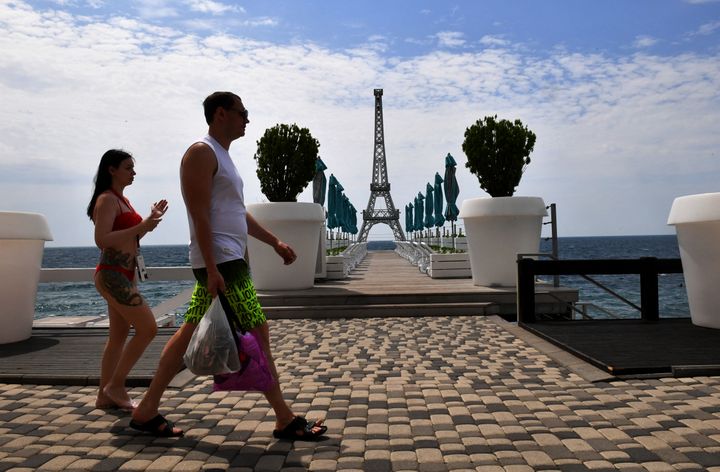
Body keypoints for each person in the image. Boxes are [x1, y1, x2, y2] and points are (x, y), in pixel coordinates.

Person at [129, 92, 327, 439]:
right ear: (220, 114)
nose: (247, 119)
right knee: (257, 331)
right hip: (221, 261)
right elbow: (199, 213)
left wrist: (274, 242)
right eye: (242, 112)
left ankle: (147, 409)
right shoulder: (200, 153)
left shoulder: (222, 157)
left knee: (190, 331)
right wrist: (212, 267)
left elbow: (236, 213)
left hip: (225, 259)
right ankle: (284, 417)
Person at [87, 149, 169, 411]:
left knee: (117, 338)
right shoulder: (107, 200)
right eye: (128, 167)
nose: (133, 172)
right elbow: (102, 240)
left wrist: (149, 223)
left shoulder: (123, 200)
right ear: (112, 170)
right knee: (148, 329)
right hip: (112, 275)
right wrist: (142, 226)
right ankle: (116, 385)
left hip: (124, 275)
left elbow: (127, 238)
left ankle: (104, 395)